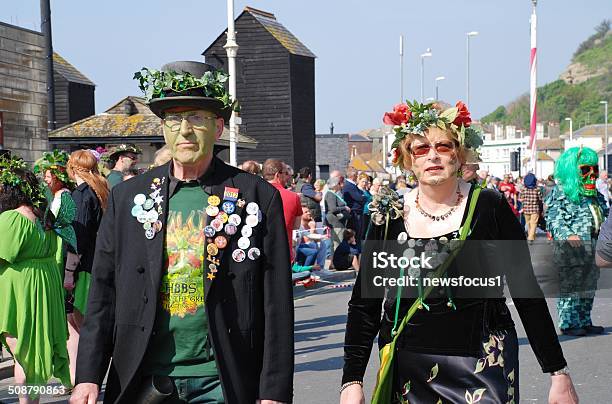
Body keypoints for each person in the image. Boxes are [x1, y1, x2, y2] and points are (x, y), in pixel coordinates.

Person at [70, 61, 293, 404]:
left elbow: (276, 301)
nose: (185, 130)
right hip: (145, 374)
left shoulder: (257, 196)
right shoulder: (128, 197)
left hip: (223, 377)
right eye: (174, 119)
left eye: (197, 118)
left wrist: (274, 390)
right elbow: (103, 290)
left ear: (218, 127)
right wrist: (88, 375)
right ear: (163, 128)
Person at [341, 100, 577, 404]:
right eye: (421, 149)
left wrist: (557, 372)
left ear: (460, 153)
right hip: (410, 371)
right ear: (406, 159)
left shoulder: (489, 207)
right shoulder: (390, 216)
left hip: (484, 367)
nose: (433, 156)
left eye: (444, 146)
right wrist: (352, 380)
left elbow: (526, 292)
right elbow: (364, 305)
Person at [0, 155, 71, 403]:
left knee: (22, 353)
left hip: (19, 289)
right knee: (29, 351)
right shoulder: (45, 219)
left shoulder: (11, 219)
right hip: (44, 283)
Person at [545, 147, 608, 337]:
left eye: (594, 169)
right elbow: (553, 218)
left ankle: (584, 320)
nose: (592, 174)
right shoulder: (561, 192)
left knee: (589, 285)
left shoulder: (593, 194)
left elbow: (604, 213)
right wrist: (568, 234)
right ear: (573, 170)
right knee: (571, 286)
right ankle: (569, 323)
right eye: (585, 169)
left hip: (593, 246)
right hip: (571, 250)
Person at [63, 150, 109, 386]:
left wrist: (69, 272)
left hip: (82, 269)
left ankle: (81, 379)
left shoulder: (80, 195)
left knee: (79, 325)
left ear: (73, 168)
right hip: (97, 264)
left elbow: (77, 236)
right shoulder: (101, 190)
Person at [263, 159, 302, 262]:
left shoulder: (254, 194)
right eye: (285, 173)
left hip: (259, 253)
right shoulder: (293, 197)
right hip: (283, 252)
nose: (288, 177)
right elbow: (296, 225)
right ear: (277, 175)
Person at [325, 176, 350, 253]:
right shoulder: (330, 194)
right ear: (335, 185)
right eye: (339, 184)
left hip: (338, 222)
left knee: (338, 243)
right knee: (337, 243)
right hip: (335, 222)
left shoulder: (334, 194)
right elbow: (333, 209)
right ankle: (335, 262)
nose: (340, 185)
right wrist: (344, 208)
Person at [343, 168, 366, 240]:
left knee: (359, 233)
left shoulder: (352, 185)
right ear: (353, 176)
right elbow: (359, 198)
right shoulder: (349, 185)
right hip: (354, 212)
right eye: (357, 175)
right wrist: (363, 197)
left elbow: (361, 195)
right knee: (356, 233)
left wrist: (362, 197)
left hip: (357, 212)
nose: (357, 177)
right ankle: (355, 250)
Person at [519, 173, 542, 243]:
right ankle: (531, 237)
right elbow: (540, 199)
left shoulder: (523, 189)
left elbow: (521, 198)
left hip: (526, 208)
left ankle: (531, 236)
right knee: (534, 223)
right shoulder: (537, 189)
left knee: (528, 223)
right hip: (535, 208)